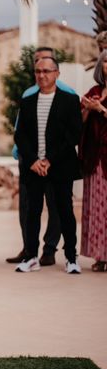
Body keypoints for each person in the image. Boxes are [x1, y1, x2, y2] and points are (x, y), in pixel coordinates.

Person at [14, 56, 82, 274]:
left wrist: (49, 159)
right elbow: (20, 135)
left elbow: (73, 135)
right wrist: (34, 160)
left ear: (57, 74)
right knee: (32, 212)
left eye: (47, 71)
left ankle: (71, 258)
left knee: (64, 211)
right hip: (33, 167)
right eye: (38, 71)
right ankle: (31, 256)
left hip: (60, 166)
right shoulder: (27, 102)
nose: (42, 75)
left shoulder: (70, 101)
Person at [6, 47, 70, 266]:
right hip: (29, 160)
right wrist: (25, 155)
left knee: (56, 207)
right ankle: (28, 248)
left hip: (56, 162)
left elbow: (69, 132)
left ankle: (50, 249)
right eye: (37, 64)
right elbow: (20, 127)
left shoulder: (67, 93)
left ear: (55, 69)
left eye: (45, 65)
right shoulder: (28, 94)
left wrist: (50, 158)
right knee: (27, 206)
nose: (41, 71)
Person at [79, 49, 107, 272]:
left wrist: (102, 109)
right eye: (106, 60)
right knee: (97, 205)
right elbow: (79, 122)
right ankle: (101, 255)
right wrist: (88, 110)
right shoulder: (94, 90)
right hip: (94, 157)